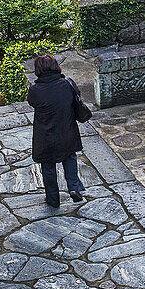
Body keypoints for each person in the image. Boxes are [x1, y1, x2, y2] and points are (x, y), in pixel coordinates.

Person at [27, 54, 86, 209]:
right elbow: (76, 97)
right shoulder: (67, 84)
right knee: (70, 157)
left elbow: (32, 103)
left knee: (48, 166)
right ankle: (74, 188)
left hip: (45, 134)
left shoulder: (35, 90)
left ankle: (53, 199)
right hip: (67, 130)